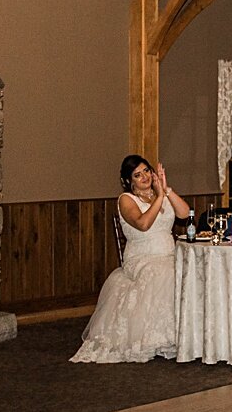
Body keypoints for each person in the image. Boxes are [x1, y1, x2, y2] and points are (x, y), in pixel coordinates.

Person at [71, 155, 192, 364]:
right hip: (142, 259)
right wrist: (159, 198)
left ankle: (190, 335)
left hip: (169, 255)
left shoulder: (160, 193)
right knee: (166, 274)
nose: (144, 176)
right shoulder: (126, 200)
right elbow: (143, 224)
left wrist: (166, 190)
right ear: (129, 181)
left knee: (189, 271)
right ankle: (165, 338)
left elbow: (185, 214)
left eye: (146, 171)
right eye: (137, 174)